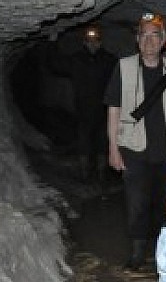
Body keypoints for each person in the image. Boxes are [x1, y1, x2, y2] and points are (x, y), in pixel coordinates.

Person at [104, 12, 166, 270]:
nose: (150, 41)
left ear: (164, 40)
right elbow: (113, 109)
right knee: (137, 203)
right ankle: (137, 252)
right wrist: (113, 147)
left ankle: (165, 254)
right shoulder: (124, 67)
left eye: (155, 35)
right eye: (144, 35)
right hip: (133, 148)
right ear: (137, 40)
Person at [46, 25, 117, 184]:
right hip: (83, 109)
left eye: (96, 41)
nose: (93, 44)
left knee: (102, 143)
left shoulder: (109, 60)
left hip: (103, 110)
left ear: (100, 42)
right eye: (89, 41)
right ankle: (85, 174)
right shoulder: (76, 60)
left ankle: (102, 174)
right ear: (84, 42)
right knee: (84, 141)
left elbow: (124, 76)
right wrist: (52, 43)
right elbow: (55, 65)